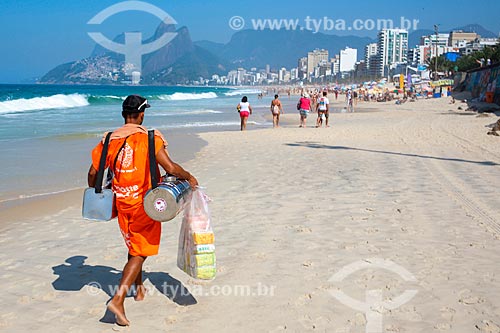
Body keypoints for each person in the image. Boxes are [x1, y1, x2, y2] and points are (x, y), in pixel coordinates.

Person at [87, 95, 198, 327]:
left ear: (123, 114)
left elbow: (92, 174)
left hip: (120, 203)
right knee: (139, 252)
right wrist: (188, 176)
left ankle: (138, 290)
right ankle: (118, 299)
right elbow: (169, 167)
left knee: (133, 245)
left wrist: (99, 188)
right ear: (142, 114)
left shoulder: (109, 139)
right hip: (145, 204)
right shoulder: (150, 138)